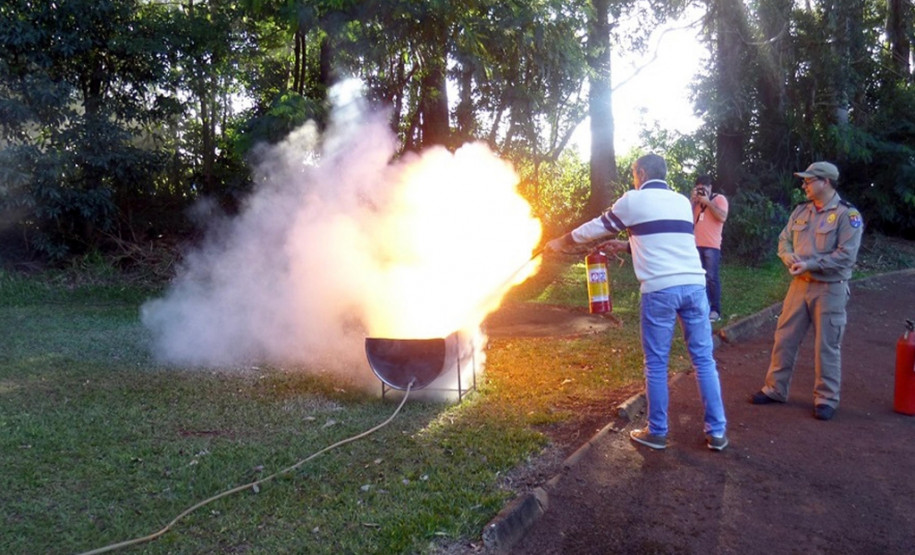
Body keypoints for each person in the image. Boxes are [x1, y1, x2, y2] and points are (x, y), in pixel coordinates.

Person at [545, 153, 728, 451]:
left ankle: (657, 431)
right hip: (695, 286)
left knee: (656, 363)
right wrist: (626, 245)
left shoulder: (633, 200)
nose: (633, 179)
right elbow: (667, 241)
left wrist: (561, 242)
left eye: (633, 174)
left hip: (660, 290)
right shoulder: (682, 202)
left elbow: (596, 227)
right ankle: (717, 432)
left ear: (641, 173)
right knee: (704, 360)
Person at [749, 161, 864, 421]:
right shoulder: (801, 210)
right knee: (784, 337)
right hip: (799, 286)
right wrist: (788, 256)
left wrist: (810, 264)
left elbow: (846, 256)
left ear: (826, 182)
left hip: (830, 289)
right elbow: (784, 239)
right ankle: (775, 389)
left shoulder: (848, 215)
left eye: (809, 180)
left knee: (827, 345)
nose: (804, 185)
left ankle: (826, 398)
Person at [691, 174, 728, 322]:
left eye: (704, 188)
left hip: (712, 246)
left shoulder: (719, 199)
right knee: (699, 278)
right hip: (695, 245)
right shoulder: (695, 202)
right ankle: (703, 307)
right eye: (699, 189)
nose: (702, 192)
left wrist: (708, 202)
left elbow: (722, 217)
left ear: (710, 188)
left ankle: (715, 309)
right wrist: (692, 201)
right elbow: (686, 218)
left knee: (712, 278)